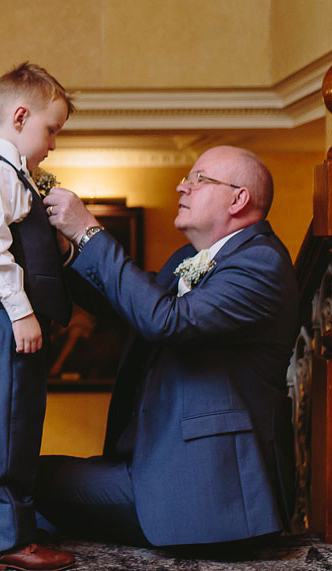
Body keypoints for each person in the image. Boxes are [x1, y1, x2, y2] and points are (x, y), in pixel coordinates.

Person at [38, 146, 297, 547]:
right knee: (28, 478)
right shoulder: (190, 257)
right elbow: (127, 305)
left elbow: (165, 320)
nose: (182, 186)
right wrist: (69, 250)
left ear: (238, 198)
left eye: (199, 179)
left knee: (28, 483)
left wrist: (90, 232)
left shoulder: (261, 263)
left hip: (206, 488)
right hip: (157, 464)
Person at [0, 63, 77, 571]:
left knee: (20, 426)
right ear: (21, 114)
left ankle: (15, 532)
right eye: (51, 130)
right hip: (4, 322)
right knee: (4, 430)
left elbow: (20, 248)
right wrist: (23, 313)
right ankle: (7, 543)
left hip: (13, 322)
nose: (52, 143)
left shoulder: (17, 177)